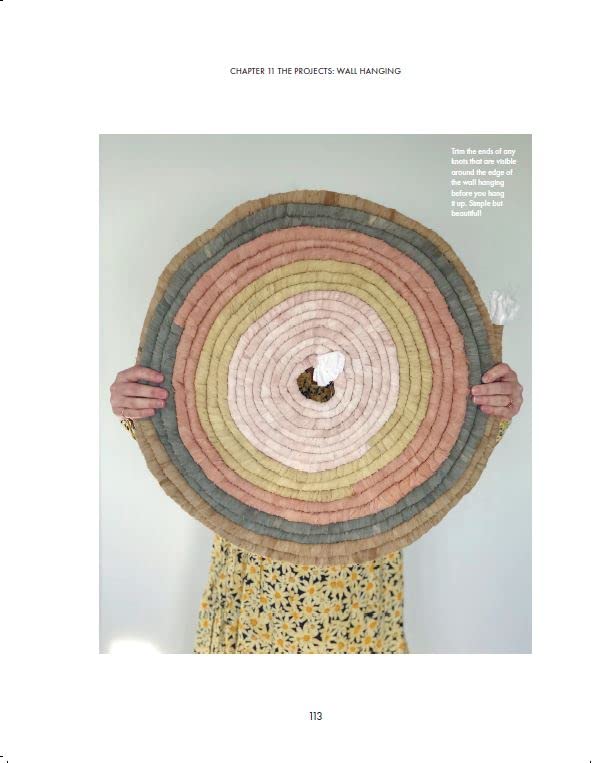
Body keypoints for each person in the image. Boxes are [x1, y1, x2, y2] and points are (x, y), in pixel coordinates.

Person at [110, 362, 524, 653]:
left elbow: (441, 438)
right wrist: (136, 407)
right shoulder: (247, 361)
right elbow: (192, 429)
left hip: (360, 604)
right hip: (250, 602)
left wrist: (494, 409)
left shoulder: (387, 365)